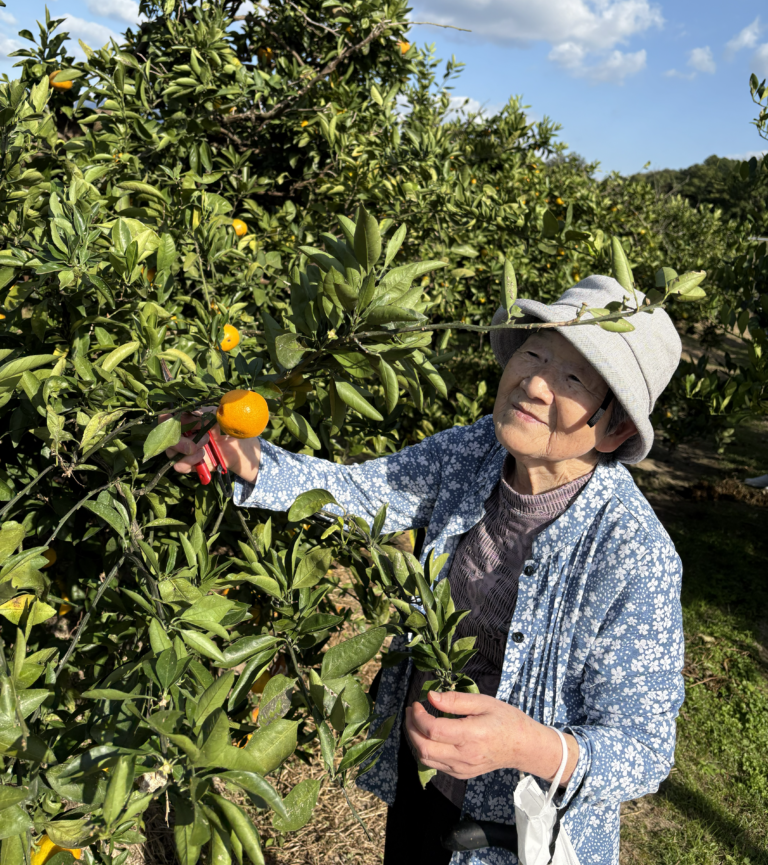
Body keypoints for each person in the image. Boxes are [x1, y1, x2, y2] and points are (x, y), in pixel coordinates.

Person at [166, 275, 685, 865]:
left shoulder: (631, 552)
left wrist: (528, 745)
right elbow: (369, 491)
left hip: (522, 832)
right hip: (424, 776)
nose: (536, 384)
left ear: (616, 428)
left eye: (574, 378)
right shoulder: (474, 453)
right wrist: (253, 461)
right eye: (535, 353)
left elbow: (643, 750)